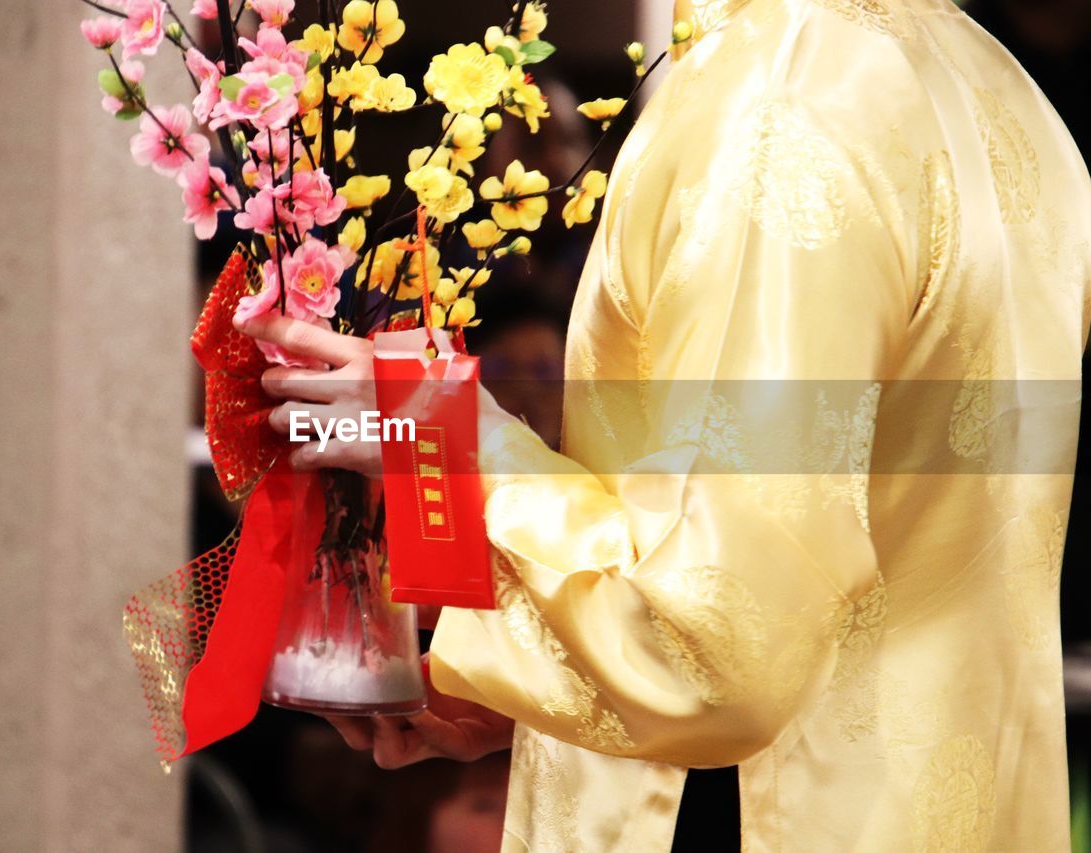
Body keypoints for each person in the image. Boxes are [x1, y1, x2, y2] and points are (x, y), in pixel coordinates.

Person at [234, 0, 1091, 848]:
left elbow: (724, 634)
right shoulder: (995, 89)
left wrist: (456, 441)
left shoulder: (782, 101)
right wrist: (534, 672)